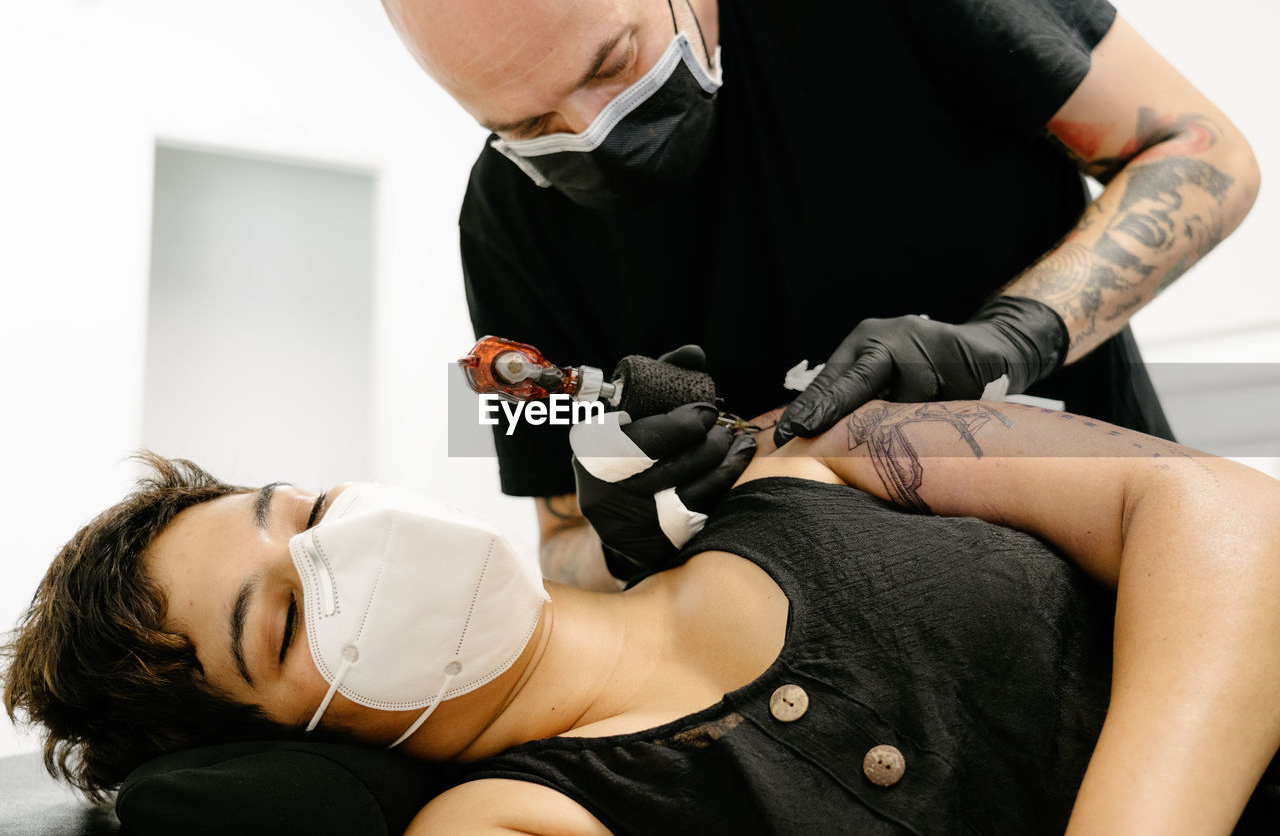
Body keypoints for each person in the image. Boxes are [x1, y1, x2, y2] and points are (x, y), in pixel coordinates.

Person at [4, 400, 1280, 833]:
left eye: (310, 509)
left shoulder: (814, 455)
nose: (349, 546)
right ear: (291, 739)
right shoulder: (507, 816)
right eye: (283, 622)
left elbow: (1214, 503)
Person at [371, 0, 1259, 587]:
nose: (593, 133)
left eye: (611, 64)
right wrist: (623, 535)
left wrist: (1011, 338)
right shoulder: (498, 226)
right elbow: (559, 540)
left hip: (1136, 577)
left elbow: (1206, 151)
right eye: (527, 124)